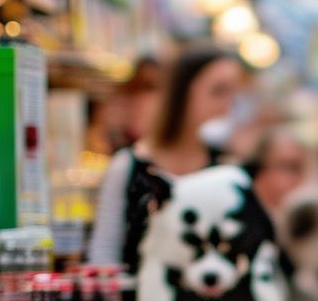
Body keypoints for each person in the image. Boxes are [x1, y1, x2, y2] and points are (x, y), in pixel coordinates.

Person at [89, 45, 245, 275]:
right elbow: (104, 252)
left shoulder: (228, 169)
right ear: (182, 94)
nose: (226, 106)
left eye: (233, 95)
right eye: (218, 91)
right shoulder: (129, 165)